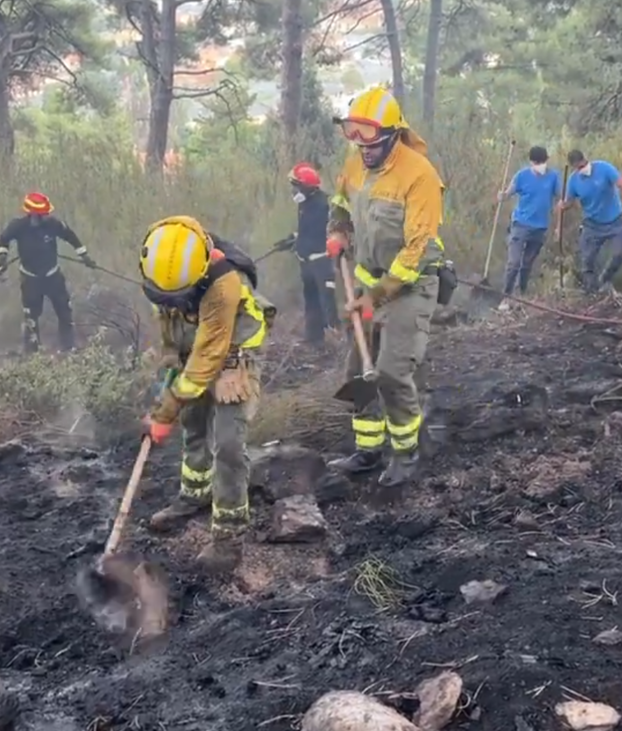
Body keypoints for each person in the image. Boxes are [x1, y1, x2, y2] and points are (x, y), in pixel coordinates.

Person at [139, 215, 274, 574]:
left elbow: (206, 361)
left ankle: (228, 537)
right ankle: (195, 494)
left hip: (232, 353)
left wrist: (163, 412)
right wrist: (168, 363)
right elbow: (170, 325)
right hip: (195, 348)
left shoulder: (224, 284)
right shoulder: (164, 269)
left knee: (228, 442)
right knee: (193, 421)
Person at [325, 85, 444, 488]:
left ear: (392, 133)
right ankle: (368, 450)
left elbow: (415, 253)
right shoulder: (356, 165)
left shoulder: (419, 175)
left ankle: (407, 453)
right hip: (368, 286)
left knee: (392, 373)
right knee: (359, 371)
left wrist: (374, 297)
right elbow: (340, 203)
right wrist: (337, 231)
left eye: (368, 134)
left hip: (411, 285)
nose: (360, 144)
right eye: (352, 132)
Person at [0, 192, 97, 353]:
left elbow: (70, 237)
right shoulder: (18, 226)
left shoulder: (53, 225)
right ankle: (32, 352)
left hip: (52, 277)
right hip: (30, 279)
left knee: (64, 311)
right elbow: (4, 239)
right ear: (32, 213)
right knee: (31, 317)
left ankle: (68, 348)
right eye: (42, 214)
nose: (45, 217)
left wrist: (84, 256)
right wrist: (2, 257)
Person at [272, 162, 340, 345]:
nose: (294, 190)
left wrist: (301, 243)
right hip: (307, 262)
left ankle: (338, 340)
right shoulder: (306, 204)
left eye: (296, 185)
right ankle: (313, 338)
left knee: (327, 302)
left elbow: (321, 233)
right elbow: (306, 229)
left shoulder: (321, 206)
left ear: (307, 187)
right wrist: (292, 239)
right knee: (311, 300)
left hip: (320, 261)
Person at [557, 150, 622, 295]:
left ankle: (605, 280)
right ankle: (592, 292)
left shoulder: (604, 168)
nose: (582, 170)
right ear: (573, 168)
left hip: (615, 221)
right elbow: (569, 201)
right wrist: (563, 205)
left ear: (586, 160)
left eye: (583, 166)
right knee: (587, 260)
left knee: (619, 254)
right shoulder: (573, 180)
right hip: (592, 225)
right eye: (578, 168)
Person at [495, 146, 561, 310]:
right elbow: (508, 193)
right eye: (537, 162)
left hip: (540, 227)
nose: (540, 165)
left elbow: (561, 199)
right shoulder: (522, 176)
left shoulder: (553, 176)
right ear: (531, 162)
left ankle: (521, 296)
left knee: (527, 264)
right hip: (520, 224)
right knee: (514, 263)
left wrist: (559, 223)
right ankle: (506, 296)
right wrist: (502, 196)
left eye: (543, 161)